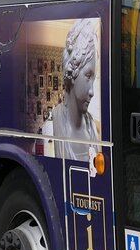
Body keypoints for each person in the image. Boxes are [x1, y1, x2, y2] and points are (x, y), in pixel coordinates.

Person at [42, 19, 100, 173]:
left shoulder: (92, 126)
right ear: (72, 73)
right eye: (88, 76)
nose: (92, 91)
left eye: (94, 78)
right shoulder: (52, 124)